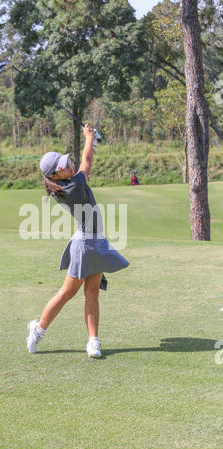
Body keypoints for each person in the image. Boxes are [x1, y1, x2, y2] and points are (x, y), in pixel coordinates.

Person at [26, 124, 130, 358]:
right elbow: (86, 162)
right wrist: (89, 137)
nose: (69, 165)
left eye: (66, 161)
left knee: (92, 293)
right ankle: (38, 328)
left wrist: (91, 140)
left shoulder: (65, 183)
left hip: (96, 241)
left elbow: (82, 160)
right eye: (63, 166)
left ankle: (93, 342)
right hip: (85, 244)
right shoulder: (72, 187)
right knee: (67, 292)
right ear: (54, 176)